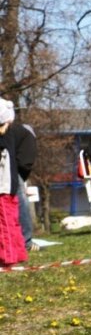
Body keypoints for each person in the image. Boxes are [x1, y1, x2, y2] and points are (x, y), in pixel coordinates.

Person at [0, 99, 27, 267]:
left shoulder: (4, 137)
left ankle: (8, 259)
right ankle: (17, 254)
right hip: (8, 187)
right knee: (11, 222)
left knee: (5, 224)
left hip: (3, 187)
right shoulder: (8, 134)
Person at [12, 123, 37, 251]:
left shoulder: (17, 132)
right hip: (12, 167)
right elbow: (26, 163)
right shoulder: (28, 136)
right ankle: (26, 241)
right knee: (21, 201)